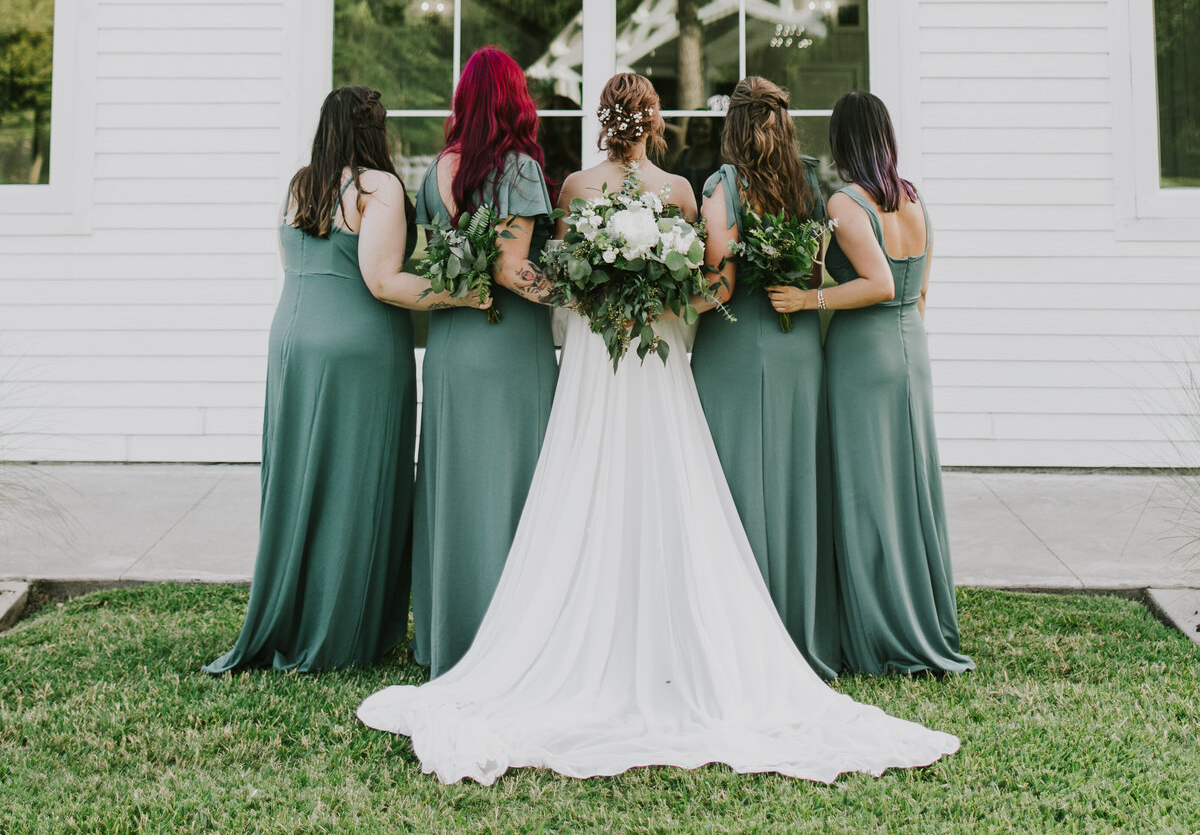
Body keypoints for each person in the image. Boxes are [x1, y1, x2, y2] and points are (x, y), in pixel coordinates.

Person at [357, 72, 960, 784]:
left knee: (585, 478)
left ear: (606, 124)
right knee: (670, 482)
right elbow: (709, 280)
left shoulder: (575, 188)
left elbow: (559, 274)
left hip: (595, 348)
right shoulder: (679, 189)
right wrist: (660, 300)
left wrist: (592, 294)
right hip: (656, 345)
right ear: (651, 124)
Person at [206, 86, 461, 675]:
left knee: (299, 480)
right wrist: (464, 295)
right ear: (376, 131)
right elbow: (382, 280)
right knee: (355, 483)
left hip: (292, 341)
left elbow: (295, 264)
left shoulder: (301, 184)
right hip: (359, 348)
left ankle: (290, 614)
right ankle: (343, 631)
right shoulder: (381, 187)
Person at [768, 90, 972, 677]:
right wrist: (906, 349)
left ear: (842, 140)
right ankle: (921, 613)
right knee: (906, 488)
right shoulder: (916, 201)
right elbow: (919, 291)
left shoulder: (845, 203)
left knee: (864, 491)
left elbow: (879, 283)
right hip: (911, 348)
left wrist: (809, 298)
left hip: (863, 353)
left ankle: (878, 626)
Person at [411, 46, 559, 677]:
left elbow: (435, 255)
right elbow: (511, 267)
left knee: (455, 485)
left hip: (451, 343)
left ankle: (448, 633)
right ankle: (512, 637)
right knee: (517, 485)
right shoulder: (520, 167)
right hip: (507, 346)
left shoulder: (433, 170)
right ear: (514, 100)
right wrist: (578, 290)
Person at [690, 77, 840, 677]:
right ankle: (795, 623)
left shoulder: (724, 186)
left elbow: (719, 284)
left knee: (734, 482)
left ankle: (740, 634)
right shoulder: (809, 183)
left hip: (737, 347)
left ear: (732, 125)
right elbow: (819, 272)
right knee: (790, 478)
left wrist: (657, 297)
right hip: (798, 346)